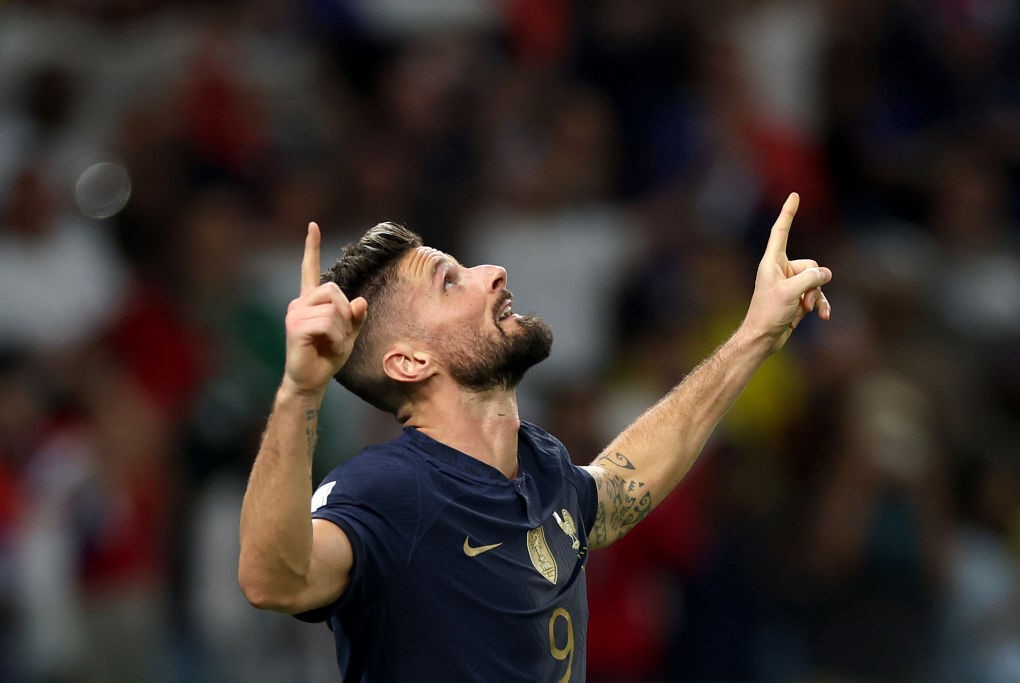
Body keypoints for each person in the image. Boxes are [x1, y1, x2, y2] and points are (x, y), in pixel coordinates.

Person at [238, 193, 832, 681]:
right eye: (450, 282)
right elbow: (273, 578)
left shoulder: (540, 463)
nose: (493, 273)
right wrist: (299, 391)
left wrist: (754, 333)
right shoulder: (386, 488)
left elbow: (619, 487)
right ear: (409, 362)